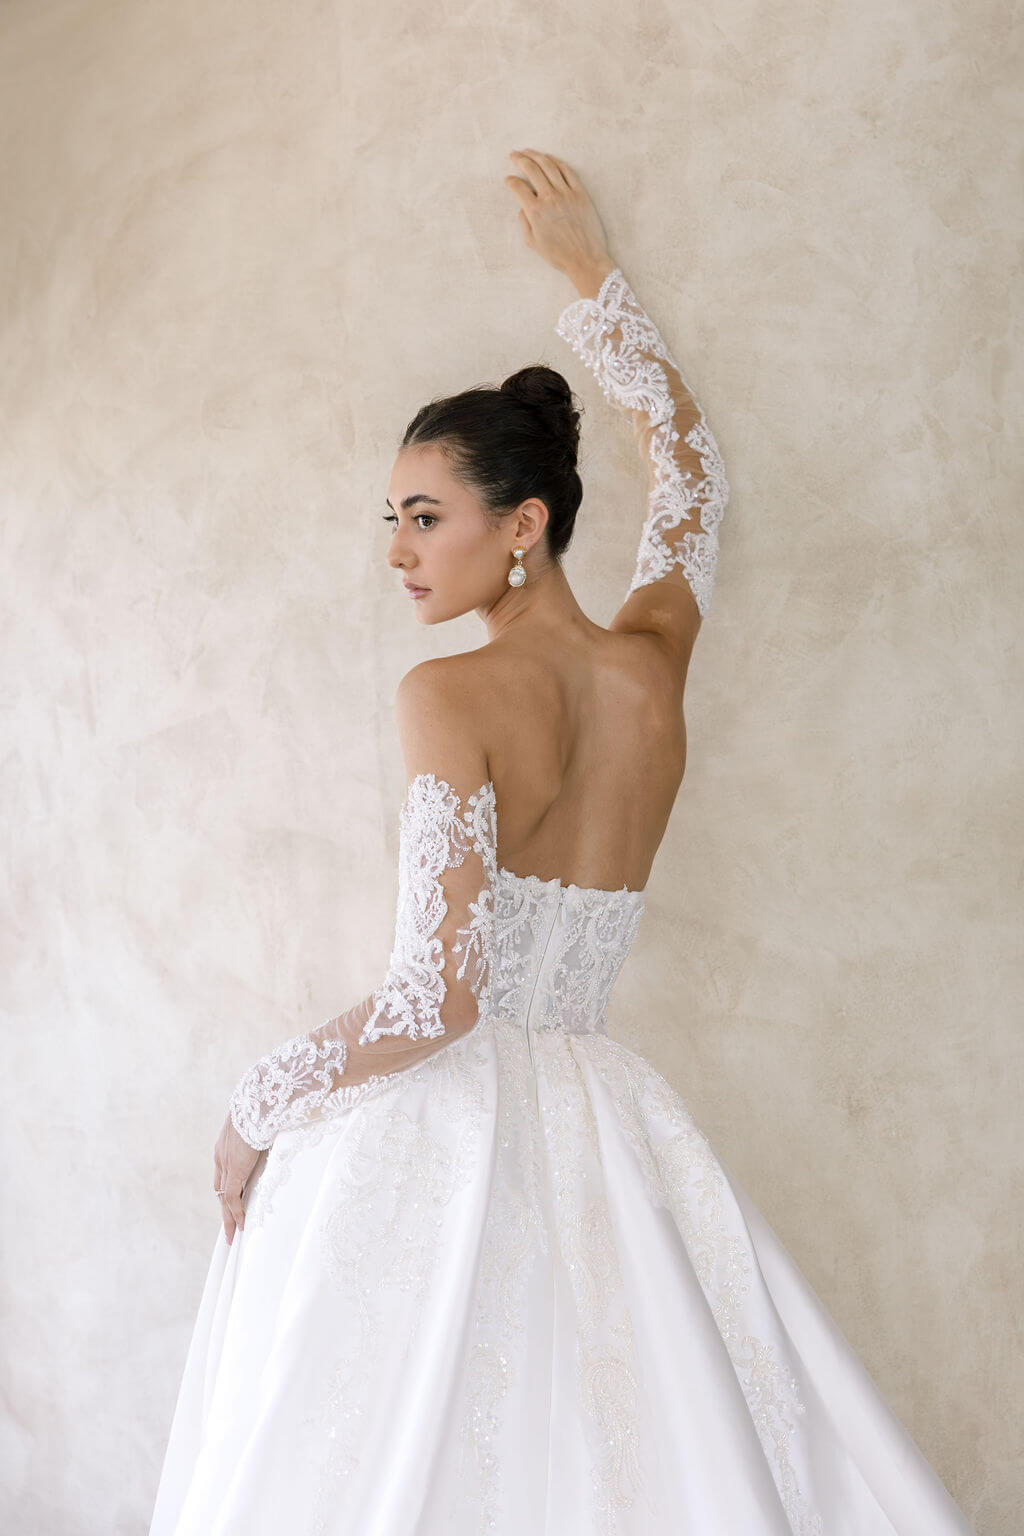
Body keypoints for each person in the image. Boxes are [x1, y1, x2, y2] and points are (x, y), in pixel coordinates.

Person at [149, 150, 977, 1536]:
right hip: (604, 1116)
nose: (398, 551)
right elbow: (694, 479)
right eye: (392, 520)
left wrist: (257, 1103)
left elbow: (439, 998)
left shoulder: (449, 695)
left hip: (453, 1126)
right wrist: (595, 277)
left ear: (522, 525)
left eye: (427, 518)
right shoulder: (654, 663)